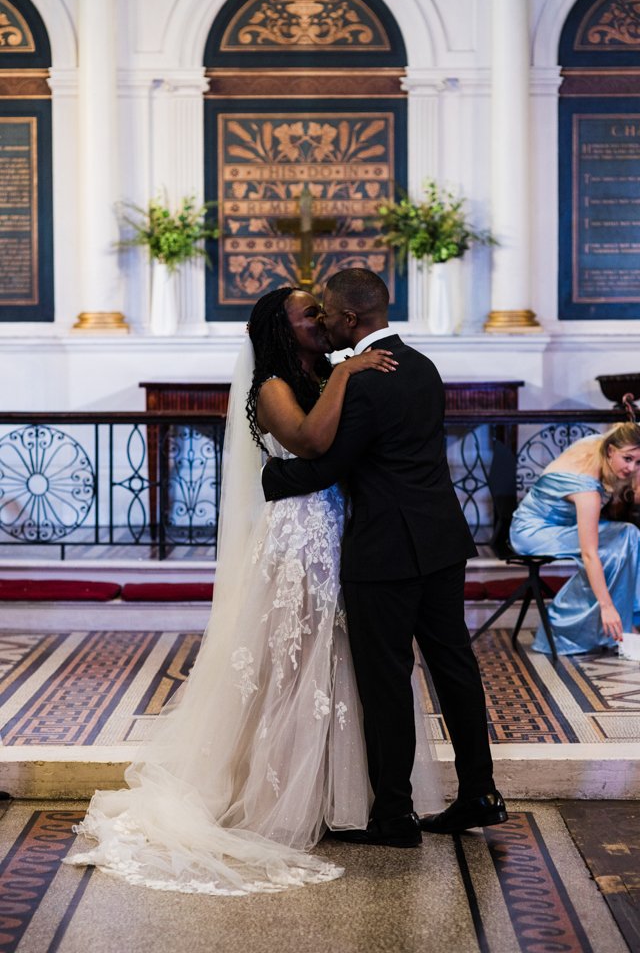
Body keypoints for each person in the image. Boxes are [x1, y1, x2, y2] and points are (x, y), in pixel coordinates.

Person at [63, 286, 438, 896]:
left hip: (345, 526)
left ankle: (343, 793)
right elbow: (312, 443)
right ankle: (279, 796)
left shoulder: (329, 371)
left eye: (321, 311)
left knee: (347, 660)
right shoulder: (272, 387)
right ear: (280, 330)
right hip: (300, 533)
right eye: (305, 315)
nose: (318, 320)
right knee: (294, 660)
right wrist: (349, 375)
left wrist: (346, 372)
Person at [263, 268, 506, 842]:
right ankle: (480, 793)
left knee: (387, 680)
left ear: (350, 319)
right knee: (455, 667)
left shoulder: (365, 382)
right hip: (442, 539)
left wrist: (270, 477)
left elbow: (327, 462)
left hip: (386, 551)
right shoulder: (422, 366)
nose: (320, 320)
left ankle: (394, 815)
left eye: (325, 311)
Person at [509, 422, 640, 655]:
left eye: (638, 462)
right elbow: (589, 554)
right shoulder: (587, 488)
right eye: (627, 459)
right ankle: (562, 627)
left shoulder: (597, 443)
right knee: (611, 549)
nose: (631, 468)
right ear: (611, 451)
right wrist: (607, 606)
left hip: (554, 524)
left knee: (629, 533)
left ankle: (627, 620)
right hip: (533, 532)